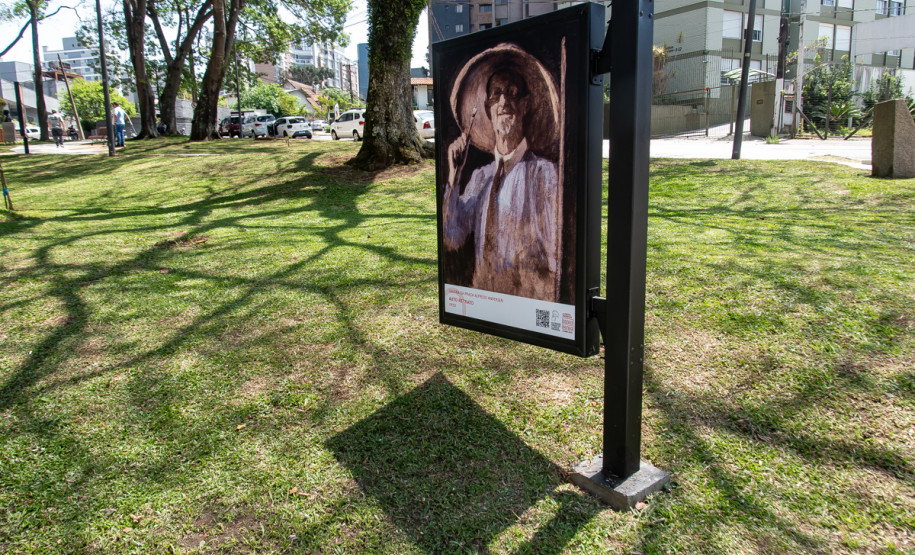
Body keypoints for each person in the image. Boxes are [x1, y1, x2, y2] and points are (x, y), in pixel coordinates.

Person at [442, 44, 563, 303]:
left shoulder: (546, 176)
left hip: (528, 305)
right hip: (486, 302)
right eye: (496, 94)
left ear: (526, 104)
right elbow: (452, 236)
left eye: (512, 93)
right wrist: (454, 176)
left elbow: (557, 259)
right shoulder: (480, 178)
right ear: (488, 107)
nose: (503, 102)